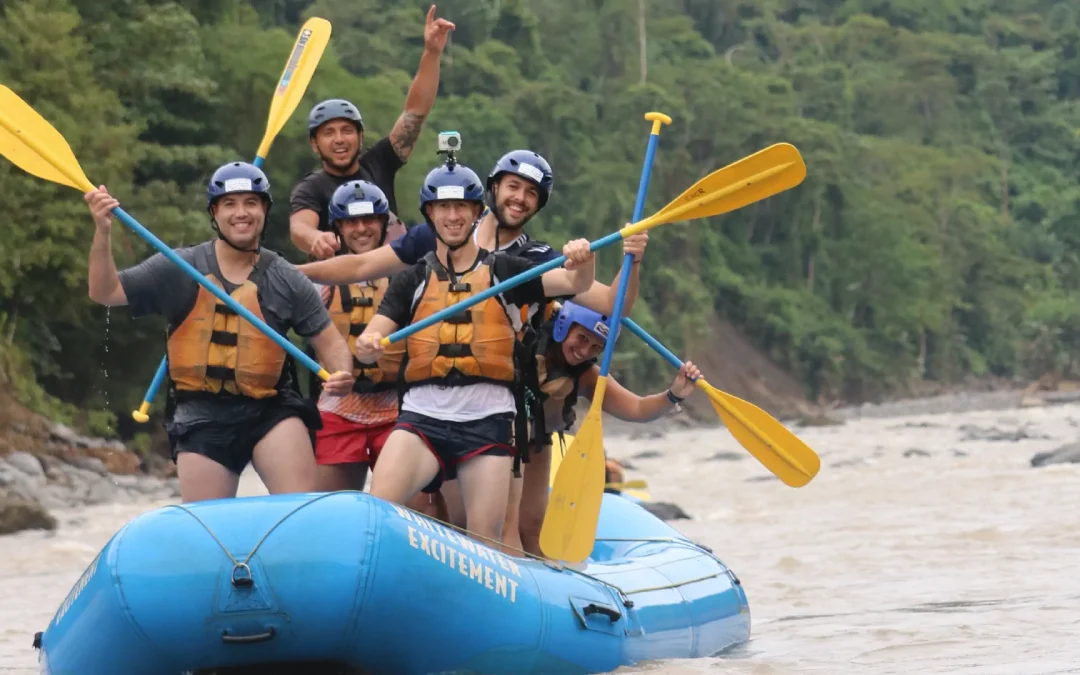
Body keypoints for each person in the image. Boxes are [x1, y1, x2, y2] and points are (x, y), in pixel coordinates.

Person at [353, 161, 597, 544]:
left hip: (488, 421)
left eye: (461, 208)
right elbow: (370, 343)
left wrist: (584, 260)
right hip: (422, 419)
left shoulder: (507, 271)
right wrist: (367, 348)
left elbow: (572, 281)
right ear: (430, 213)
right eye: (443, 208)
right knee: (375, 515)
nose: (453, 217)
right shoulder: (411, 279)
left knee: (485, 538)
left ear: (475, 212)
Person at [84, 162, 355, 502]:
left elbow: (332, 345)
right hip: (201, 414)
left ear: (264, 209)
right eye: (230, 204)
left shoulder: (286, 278)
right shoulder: (178, 266)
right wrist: (103, 231)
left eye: (251, 203)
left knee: (298, 511)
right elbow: (104, 292)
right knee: (207, 530)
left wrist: (342, 373)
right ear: (214, 212)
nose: (241, 213)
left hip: (271, 411)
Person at [295, 149, 645, 318]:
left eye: (531, 193)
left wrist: (634, 258)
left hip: (497, 396)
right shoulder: (437, 236)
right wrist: (291, 273)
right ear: (492, 190)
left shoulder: (536, 260)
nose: (520, 198)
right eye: (513, 186)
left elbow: (611, 305)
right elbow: (359, 268)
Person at [503, 301, 700, 555]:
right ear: (564, 326)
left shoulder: (587, 376)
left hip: (536, 444)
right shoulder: (522, 337)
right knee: (503, 523)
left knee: (532, 527)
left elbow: (638, 409)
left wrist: (673, 394)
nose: (584, 351)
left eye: (596, 346)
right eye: (582, 338)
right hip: (499, 435)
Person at [310, 179, 447, 518]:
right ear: (337, 229)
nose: (361, 229)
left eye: (370, 219)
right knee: (333, 518)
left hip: (400, 410)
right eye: (351, 222)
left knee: (422, 517)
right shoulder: (318, 284)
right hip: (339, 408)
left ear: (385, 223)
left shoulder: (416, 275)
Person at [289, 5, 455, 260]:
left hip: (392, 280)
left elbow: (416, 112)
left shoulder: (379, 163)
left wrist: (431, 53)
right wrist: (315, 238)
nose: (340, 139)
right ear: (314, 144)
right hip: (340, 287)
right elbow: (300, 228)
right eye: (328, 133)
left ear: (360, 137)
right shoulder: (311, 188)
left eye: (347, 131)